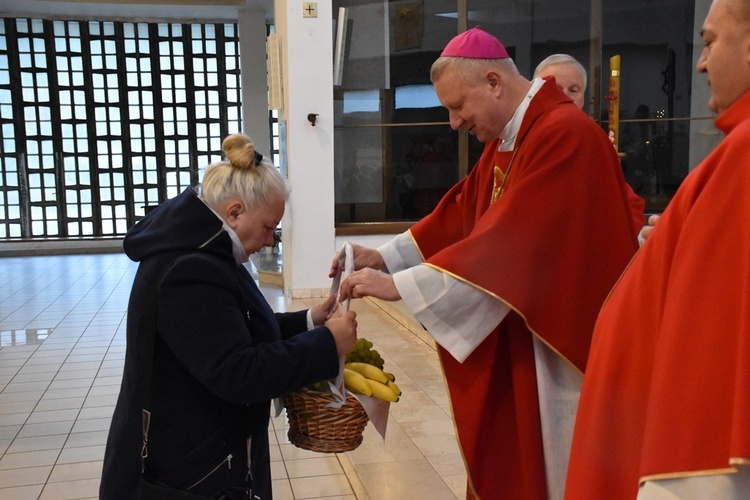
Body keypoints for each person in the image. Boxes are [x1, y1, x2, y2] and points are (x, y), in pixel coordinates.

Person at [334, 27, 640, 500]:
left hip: (560, 339)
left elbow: (514, 239)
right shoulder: (513, 136)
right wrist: (387, 256)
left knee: (558, 461)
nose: (454, 122)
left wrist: (401, 286)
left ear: (494, 82)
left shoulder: (564, 133)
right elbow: (463, 210)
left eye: (458, 107)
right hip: (524, 323)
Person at [100, 133, 358, 499]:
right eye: (269, 227)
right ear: (235, 212)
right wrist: (327, 345)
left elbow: (241, 327)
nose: (270, 241)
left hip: (205, 459)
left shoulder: (207, 250)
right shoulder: (189, 270)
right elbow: (239, 373)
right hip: (189, 474)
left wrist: (310, 322)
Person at [565, 0, 750, 497]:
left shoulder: (744, 157)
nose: (701, 62)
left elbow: (714, 356)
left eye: (710, 41)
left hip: (687, 460)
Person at [535, 54, 646, 232]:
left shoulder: (593, 143)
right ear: (535, 92)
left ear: (583, 98)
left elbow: (629, 207)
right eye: (554, 88)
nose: (564, 97)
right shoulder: (516, 139)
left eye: (573, 90)